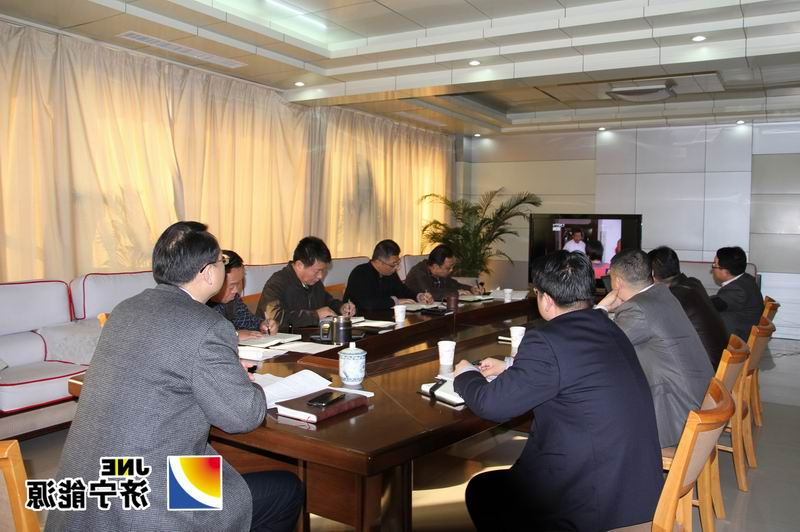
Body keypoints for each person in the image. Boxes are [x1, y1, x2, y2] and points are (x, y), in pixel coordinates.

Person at [46, 222, 303, 532]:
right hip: (152, 498)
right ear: (207, 273)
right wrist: (249, 384)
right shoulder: (207, 325)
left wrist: (219, 370)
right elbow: (243, 416)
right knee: (286, 490)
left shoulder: (125, 310)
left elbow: (163, 369)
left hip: (84, 492)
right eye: (221, 260)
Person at [453, 251, 662, 531]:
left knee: (483, 491)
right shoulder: (608, 327)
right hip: (631, 487)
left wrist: (465, 374)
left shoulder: (545, 340)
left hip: (588, 498)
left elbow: (492, 405)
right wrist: (511, 368)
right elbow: (574, 370)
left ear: (547, 300)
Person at [597, 249, 713, 448]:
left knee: (601, 417)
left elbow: (601, 347)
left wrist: (601, 309)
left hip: (678, 412)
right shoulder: (661, 294)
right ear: (650, 273)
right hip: (700, 401)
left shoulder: (637, 309)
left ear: (617, 282)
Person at [649, 246, 728, 369]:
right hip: (720, 361)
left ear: (652, 273)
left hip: (706, 369)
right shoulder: (693, 283)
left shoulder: (673, 297)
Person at [256, 237, 355, 330]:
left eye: (323, 270)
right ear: (299, 265)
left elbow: (327, 302)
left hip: (309, 337)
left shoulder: (314, 282)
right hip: (282, 340)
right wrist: (315, 315)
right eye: (317, 271)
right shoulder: (277, 282)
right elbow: (275, 318)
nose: (320, 276)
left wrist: (341, 308)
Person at [207, 249, 278, 340]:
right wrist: (234, 335)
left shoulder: (233, 300)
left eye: (239, 283)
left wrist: (263, 325)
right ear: (216, 279)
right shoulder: (199, 303)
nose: (236, 290)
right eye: (232, 285)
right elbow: (205, 335)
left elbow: (248, 321)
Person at [344, 239, 434, 311]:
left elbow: (402, 291)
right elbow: (367, 303)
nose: (396, 267)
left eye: (398, 263)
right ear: (379, 262)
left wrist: (419, 296)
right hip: (361, 321)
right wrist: (395, 301)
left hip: (385, 318)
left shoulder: (390, 273)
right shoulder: (360, 273)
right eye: (393, 264)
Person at [710, 246, 764, 341]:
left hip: (736, 340)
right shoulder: (746, 279)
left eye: (714, 264)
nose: (712, 268)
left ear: (726, 271)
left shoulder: (738, 289)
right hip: (739, 332)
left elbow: (711, 305)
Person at [404, 244, 482, 300]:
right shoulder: (419, 272)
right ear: (435, 266)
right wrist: (456, 293)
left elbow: (454, 284)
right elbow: (431, 293)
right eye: (448, 268)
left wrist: (471, 288)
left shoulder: (440, 273)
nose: (451, 270)